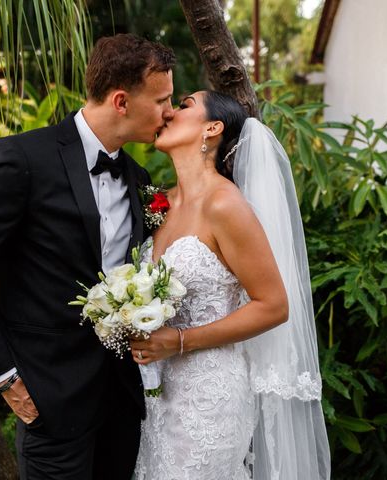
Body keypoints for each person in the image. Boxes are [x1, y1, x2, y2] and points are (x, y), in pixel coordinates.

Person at [0, 34, 175, 480]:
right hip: (48, 402)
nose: (169, 112)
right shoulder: (21, 159)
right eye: (161, 100)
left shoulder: (139, 179)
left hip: (121, 403)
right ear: (121, 101)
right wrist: (5, 379)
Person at [131, 90, 331, 479]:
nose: (169, 112)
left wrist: (181, 340)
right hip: (155, 395)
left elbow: (273, 305)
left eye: (184, 104)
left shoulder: (226, 205)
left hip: (209, 398)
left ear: (213, 127)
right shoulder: (158, 204)